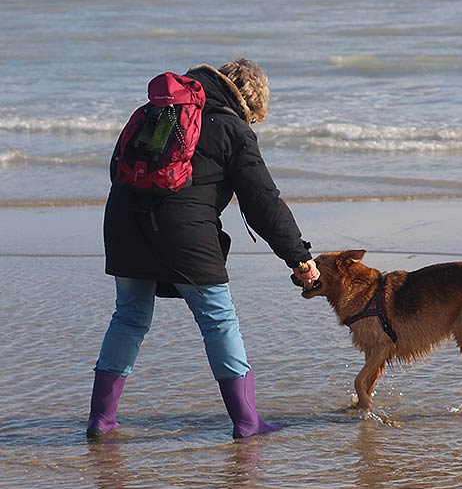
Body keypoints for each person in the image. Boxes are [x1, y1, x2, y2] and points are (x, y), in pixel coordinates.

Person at [87, 59, 320, 440]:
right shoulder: (232, 129)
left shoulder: (155, 111)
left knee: (128, 317)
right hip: (184, 233)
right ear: (250, 105)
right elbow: (264, 202)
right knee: (218, 319)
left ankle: (101, 419)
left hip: (123, 221)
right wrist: (299, 257)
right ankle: (247, 422)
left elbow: (119, 169)